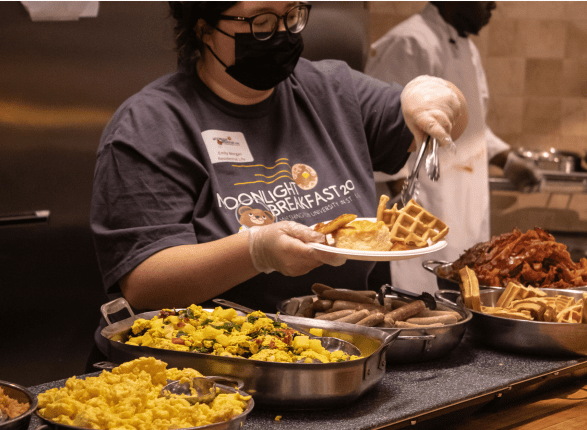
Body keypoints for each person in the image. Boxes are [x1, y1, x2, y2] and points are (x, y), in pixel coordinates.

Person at [89, 0, 469, 332]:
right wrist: (257, 252)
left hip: (346, 346)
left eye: (292, 15)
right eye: (262, 22)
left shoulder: (333, 90)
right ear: (203, 28)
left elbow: (431, 120)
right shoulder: (151, 124)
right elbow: (144, 282)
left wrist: (437, 97)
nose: (282, 33)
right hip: (208, 366)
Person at [364, 1, 538, 294]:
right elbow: (378, 126)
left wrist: (507, 159)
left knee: (461, 298)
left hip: (465, 210)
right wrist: (403, 200)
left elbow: (471, 127)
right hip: (426, 210)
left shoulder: (468, 49)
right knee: (419, 304)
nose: (493, 6)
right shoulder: (409, 42)